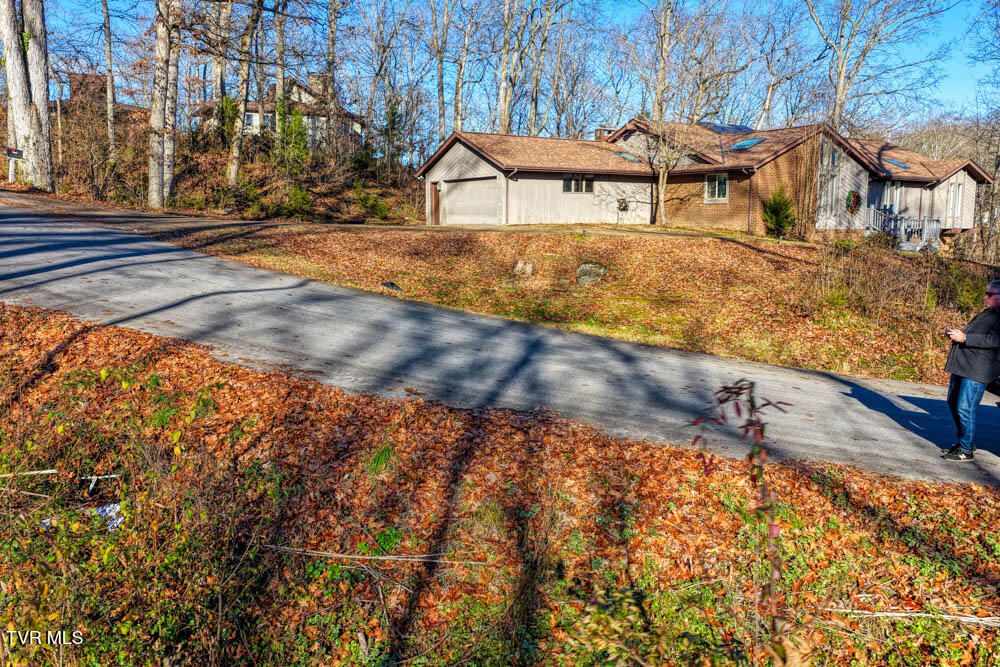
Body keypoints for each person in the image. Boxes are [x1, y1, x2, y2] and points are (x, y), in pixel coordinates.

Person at [942, 280, 1000, 461]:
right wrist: (956, 335)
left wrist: (965, 338)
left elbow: (995, 340)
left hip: (978, 370)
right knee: (953, 403)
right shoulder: (988, 313)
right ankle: (965, 441)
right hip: (964, 366)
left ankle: (966, 450)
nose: (986, 297)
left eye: (990, 294)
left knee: (965, 408)